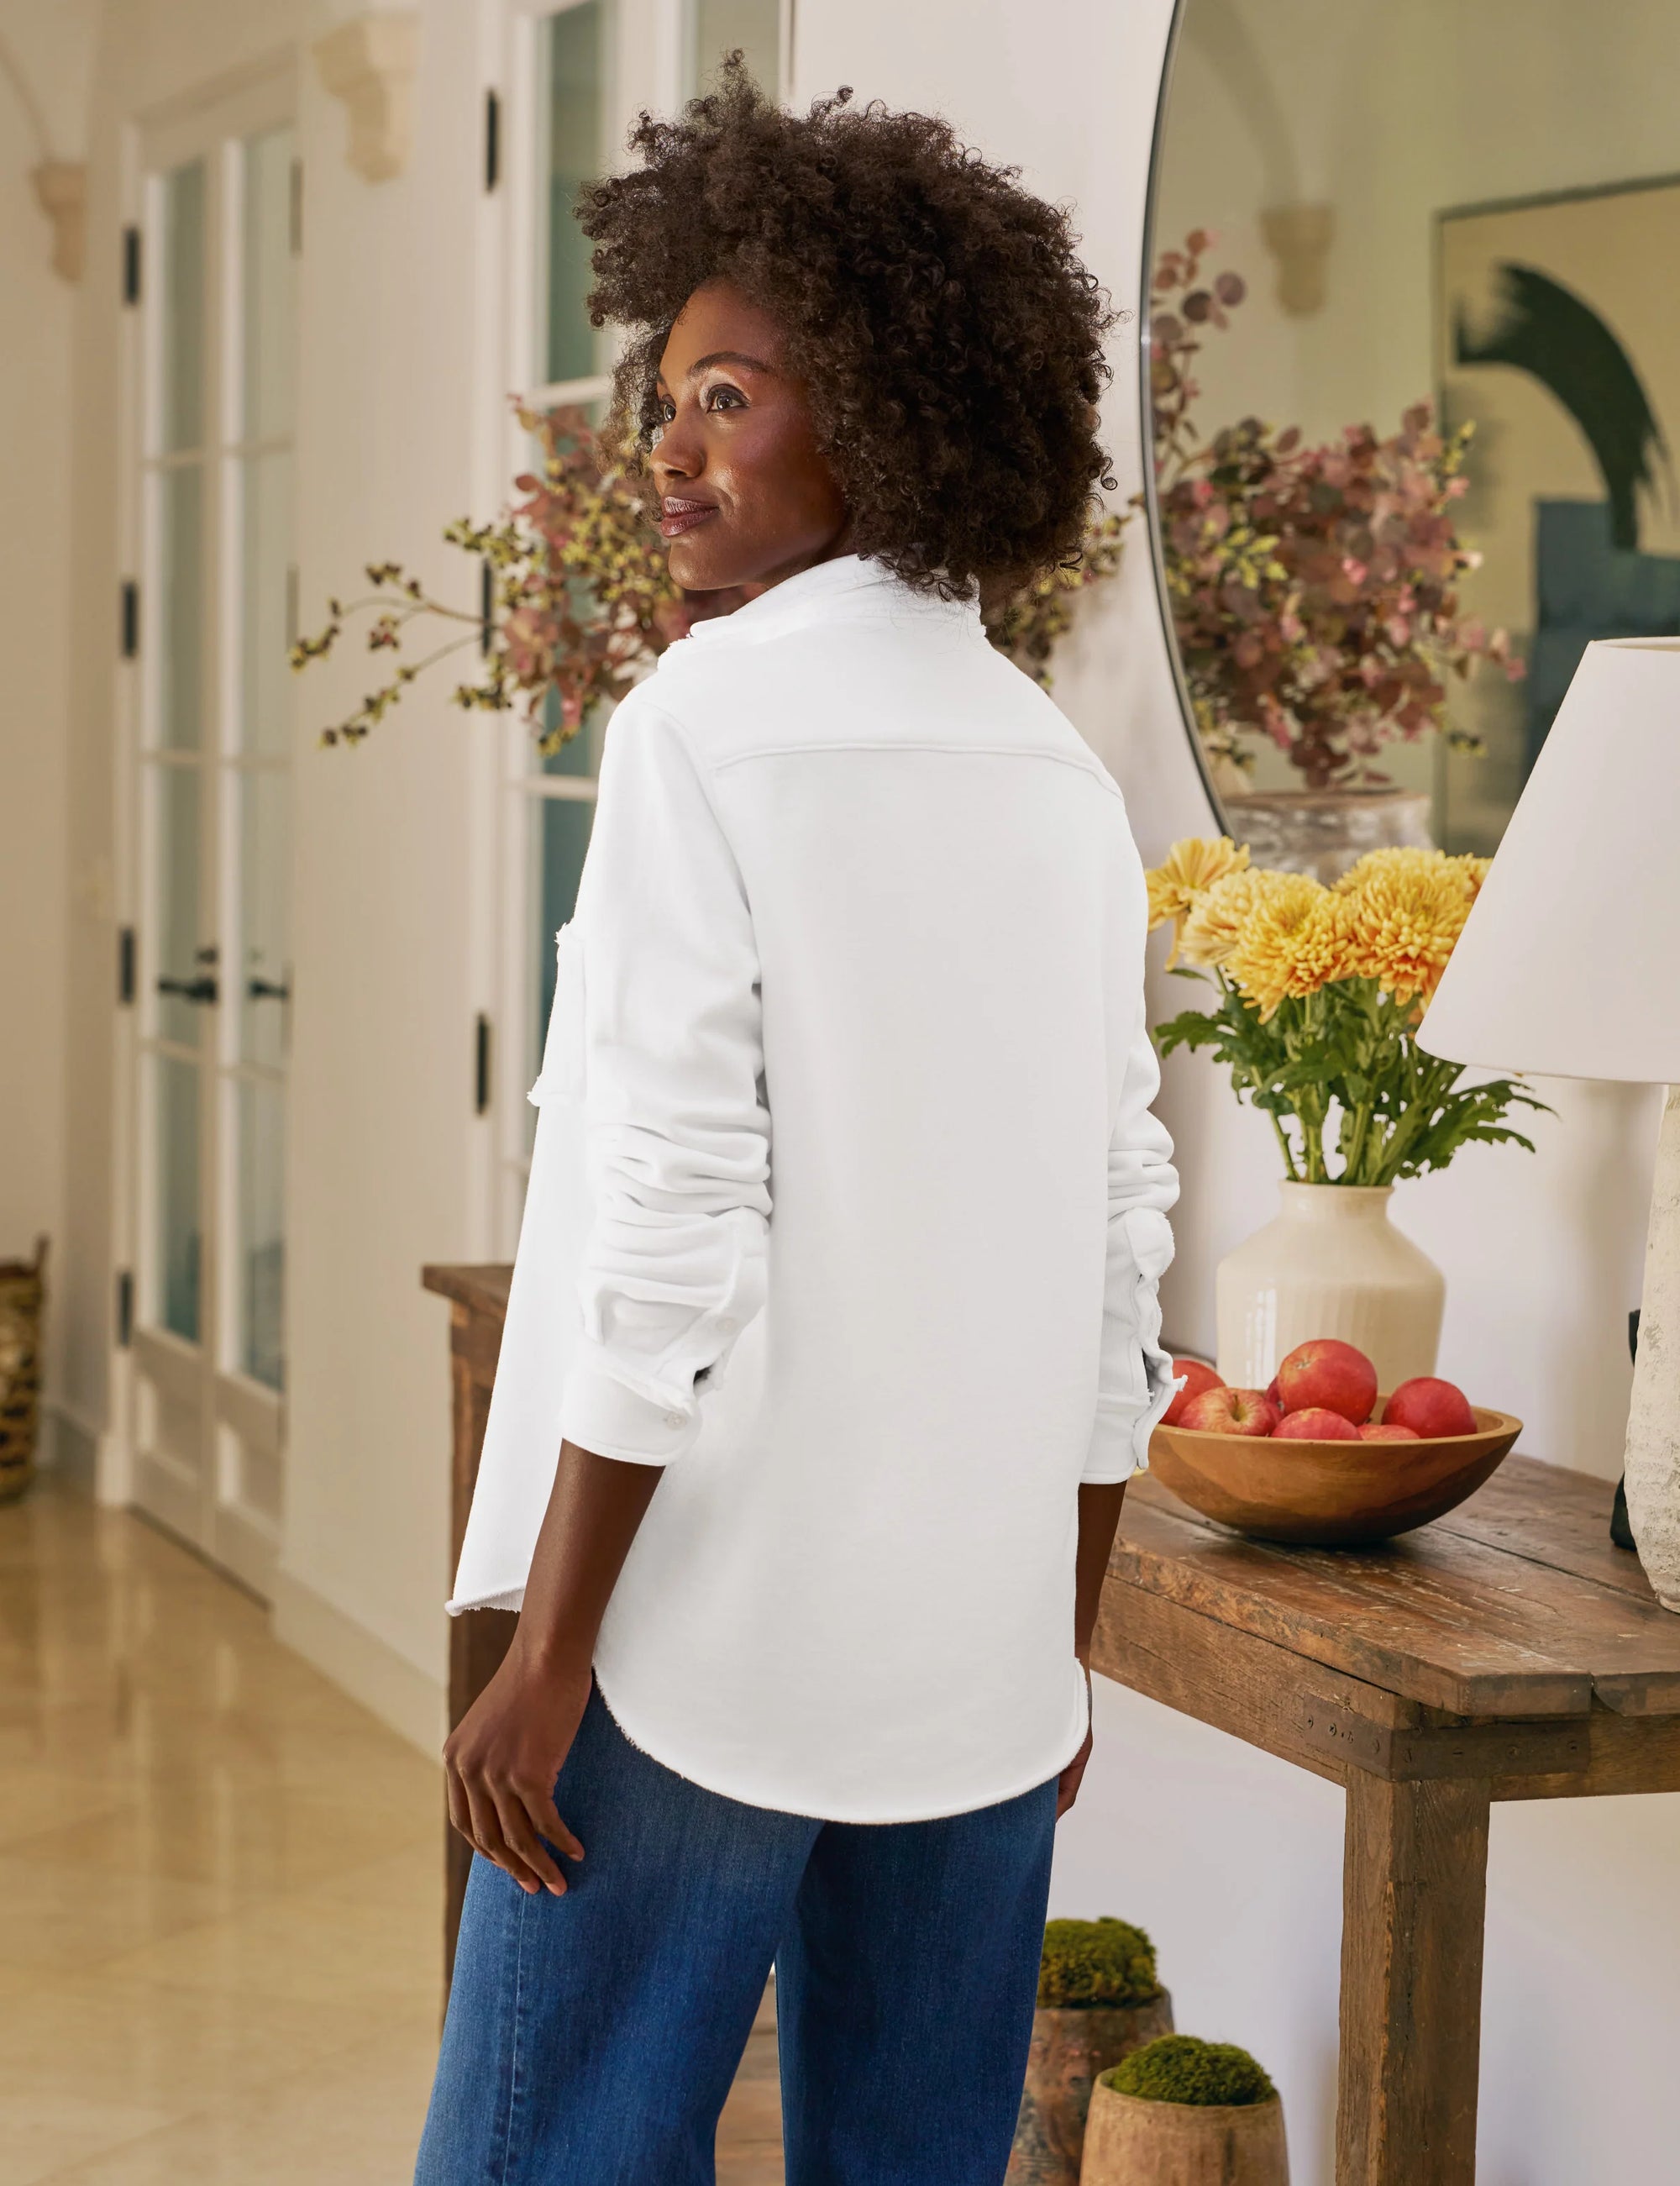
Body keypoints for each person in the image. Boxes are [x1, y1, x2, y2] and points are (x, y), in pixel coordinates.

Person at [416, 63, 1179, 2186]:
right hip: (967, 1653)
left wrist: (548, 1653)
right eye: (665, 395)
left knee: (541, 2152)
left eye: (730, 396)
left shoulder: (710, 731)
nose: (671, 445)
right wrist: (1057, 1642)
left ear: (883, 406)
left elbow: (673, 1216)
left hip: (702, 1636)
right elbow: (1124, 1231)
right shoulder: (1052, 771)